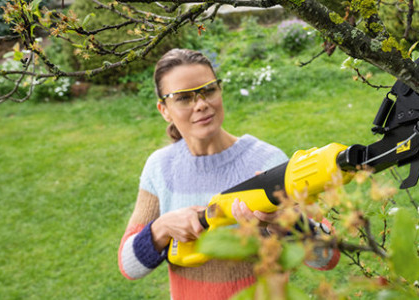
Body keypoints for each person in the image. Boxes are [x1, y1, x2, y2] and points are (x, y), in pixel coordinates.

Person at [117, 49, 340, 300]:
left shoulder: (266, 161)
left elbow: (328, 257)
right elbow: (128, 265)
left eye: (208, 90)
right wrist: (162, 227)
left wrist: (285, 222)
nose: (201, 104)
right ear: (164, 110)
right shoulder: (160, 167)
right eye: (183, 98)